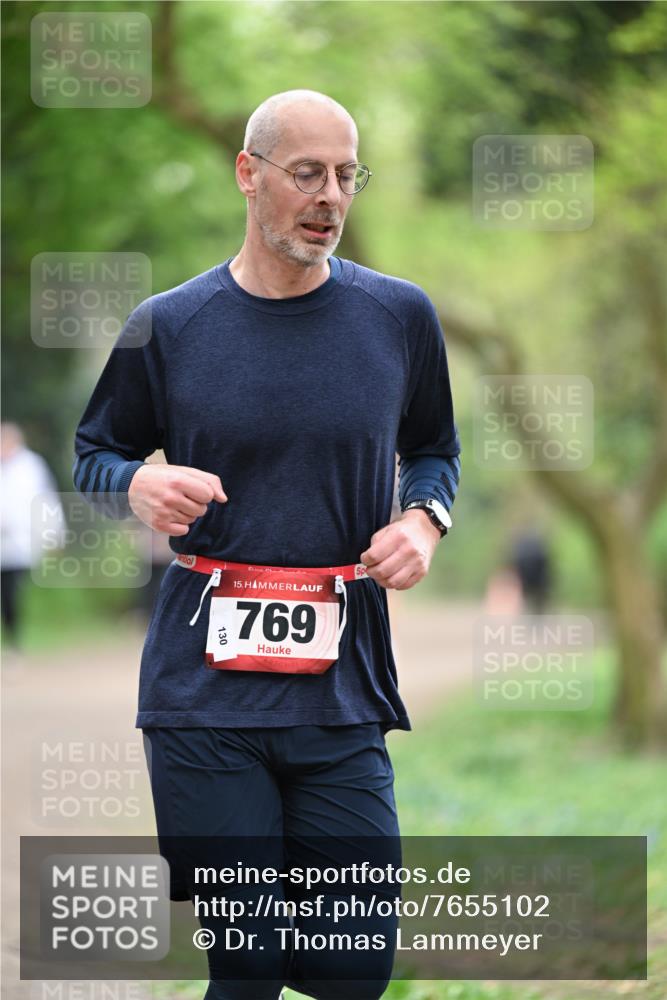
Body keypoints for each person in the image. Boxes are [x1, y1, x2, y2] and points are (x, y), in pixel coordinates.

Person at [73, 89, 461, 1000]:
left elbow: (435, 449)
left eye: (345, 176)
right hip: (201, 699)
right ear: (249, 175)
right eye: (307, 174)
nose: (329, 196)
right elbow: (94, 455)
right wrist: (134, 482)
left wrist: (422, 521)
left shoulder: (399, 317)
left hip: (341, 695)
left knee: (350, 972)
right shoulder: (167, 325)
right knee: (245, 970)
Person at [1, 422, 65, 654]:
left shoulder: (31, 466)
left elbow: (46, 500)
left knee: (10, 593)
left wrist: (54, 533)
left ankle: (13, 641)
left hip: (19, 543)